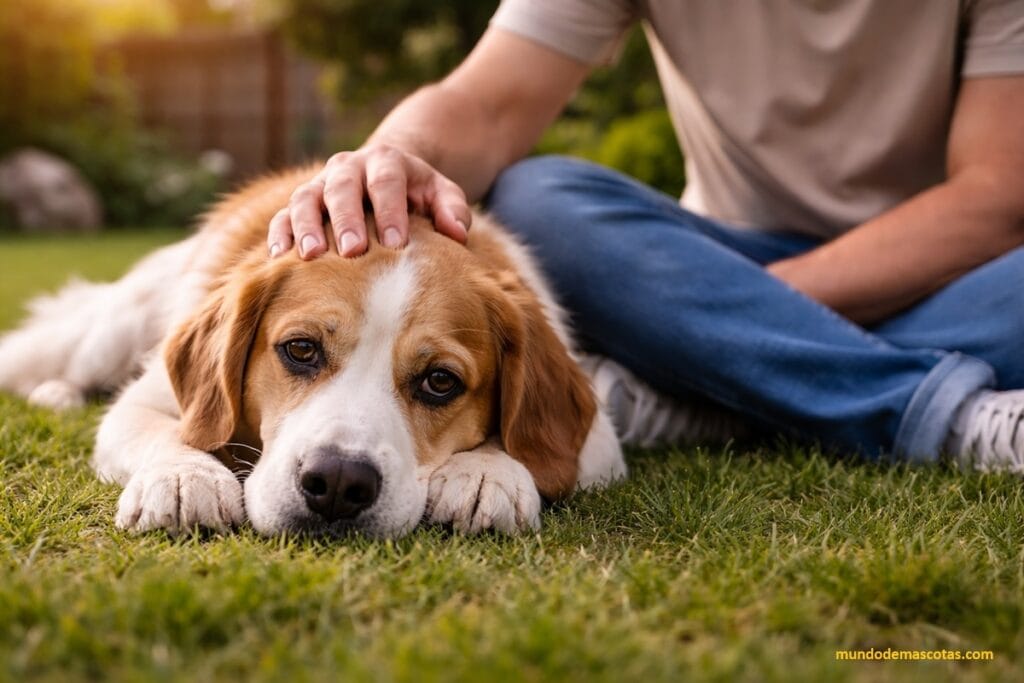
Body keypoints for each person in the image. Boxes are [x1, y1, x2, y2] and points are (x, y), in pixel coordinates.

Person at [266, 1, 1024, 470]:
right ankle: (947, 417)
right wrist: (392, 154)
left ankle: (698, 394)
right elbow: (487, 106)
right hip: (695, 263)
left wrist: (717, 334)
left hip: (939, 280)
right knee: (543, 197)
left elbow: (995, 198)